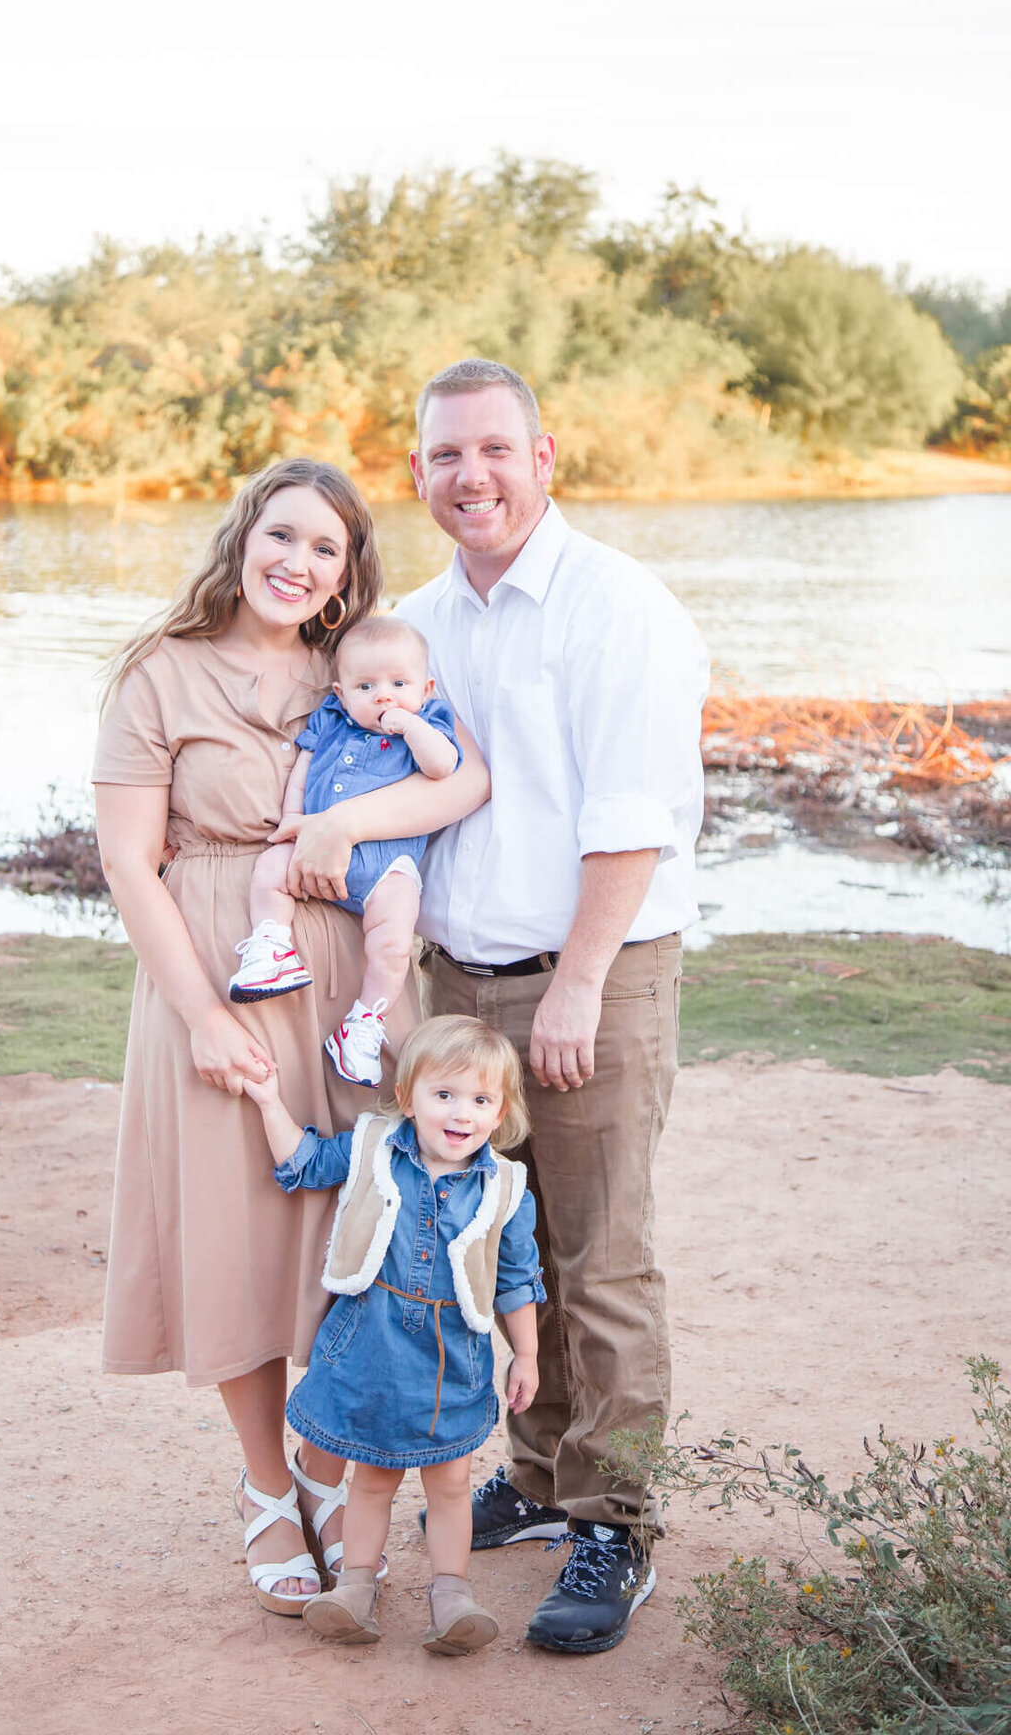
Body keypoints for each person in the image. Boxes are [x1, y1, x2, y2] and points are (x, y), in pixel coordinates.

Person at [287, 361, 708, 1655]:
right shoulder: (418, 623)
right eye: (444, 457)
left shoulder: (615, 606)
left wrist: (579, 979)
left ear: (545, 455)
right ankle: (535, 1475)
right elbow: (419, 785)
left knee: (599, 1254)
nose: (471, 476)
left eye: (494, 450)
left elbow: (630, 812)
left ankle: (615, 1523)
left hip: (593, 971)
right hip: (456, 986)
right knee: (492, 1235)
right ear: (415, 475)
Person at [92, 458, 489, 1618]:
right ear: (243, 537)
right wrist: (203, 1013)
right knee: (242, 1230)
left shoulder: (361, 668)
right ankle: (269, 1488)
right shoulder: (161, 674)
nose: (298, 563)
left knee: (357, 1227)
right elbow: (128, 860)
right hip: (221, 968)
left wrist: (345, 820)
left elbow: (460, 784)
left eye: (326, 548)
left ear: (349, 572)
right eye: (282, 536)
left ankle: (329, 1472)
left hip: (357, 991)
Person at [241, 1014, 546, 1654]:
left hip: (452, 1357)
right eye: (444, 1095)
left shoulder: (508, 1189)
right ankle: (355, 1587)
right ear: (408, 1098)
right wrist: (269, 1100)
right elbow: (301, 1163)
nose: (461, 1113)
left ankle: (451, 1594)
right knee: (374, 1476)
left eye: (480, 1100)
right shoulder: (372, 1148)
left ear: (500, 1113)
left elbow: (518, 1278)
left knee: (452, 1482)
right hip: (372, 1343)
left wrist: (527, 1354)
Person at [229, 614, 461, 1088]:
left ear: (427, 687)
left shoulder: (430, 721)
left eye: (399, 683)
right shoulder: (331, 719)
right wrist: (293, 817)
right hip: (312, 845)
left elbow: (443, 766)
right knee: (270, 869)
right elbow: (304, 765)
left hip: (386, 868)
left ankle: (364, 1024)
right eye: (365, 686)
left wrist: (409, 724)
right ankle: (270, 944)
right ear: (339, 693)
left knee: (394, 943)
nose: (383, 695)